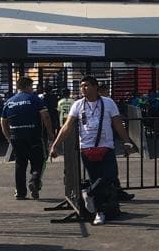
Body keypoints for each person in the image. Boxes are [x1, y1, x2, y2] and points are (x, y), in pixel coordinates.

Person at [49, 76, 135, 225]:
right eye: (81, 86)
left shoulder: (108, 103)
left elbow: (117, 124)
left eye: (87, 85)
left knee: (110, 176)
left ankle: (87, 193)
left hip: (106, 146)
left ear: (95, 87)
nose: (83, 88)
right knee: (96, 180)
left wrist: (127, 142)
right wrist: (55, 145)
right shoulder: (77, 105)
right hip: (87, 148)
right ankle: (99, 212)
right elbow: (67, 127)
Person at [0, 76, 54, 200]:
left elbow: (3, 122)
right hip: (34, 135)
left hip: (16, 136)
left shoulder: (9, 102)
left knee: (20, 164)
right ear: (27, 86)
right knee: (38, 161)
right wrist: (50, 133)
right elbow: (45, 116)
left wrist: (9, 137)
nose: (32, 89)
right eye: (31, 86)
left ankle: (20, 192)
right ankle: (34, 181)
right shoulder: (35, 99)